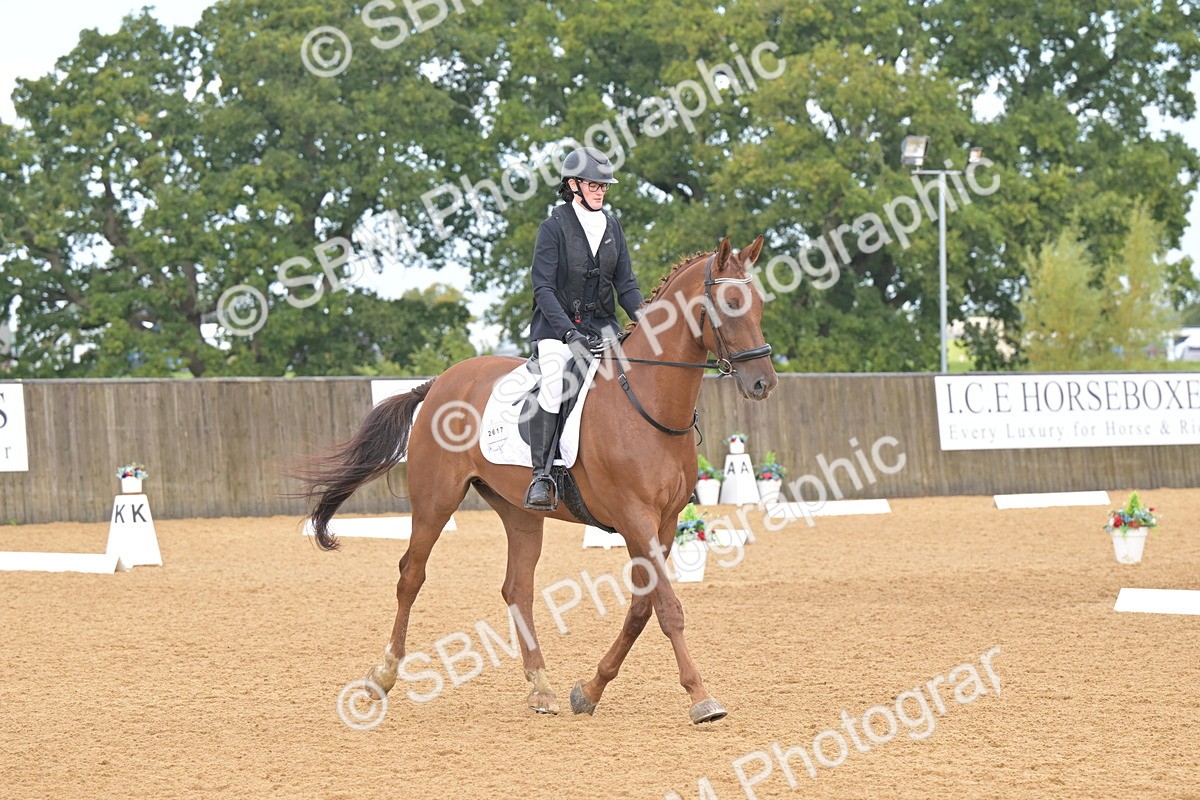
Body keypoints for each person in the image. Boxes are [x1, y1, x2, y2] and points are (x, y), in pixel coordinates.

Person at [523, 146, 645, 510]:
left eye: (604, 186)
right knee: (555, 381)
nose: (600, 191)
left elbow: (626, 285)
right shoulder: (554, 226)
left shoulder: (612, 226)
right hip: (556, 329)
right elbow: (542, 287)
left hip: (603, 329)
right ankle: (542, 476)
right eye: (593, 184)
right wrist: (567, 333)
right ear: (573, 184)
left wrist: (649, 322)